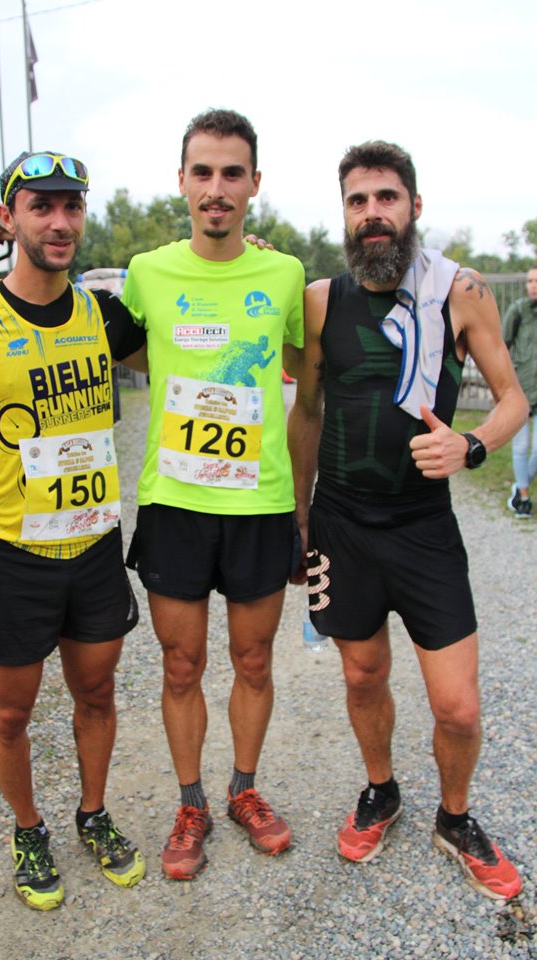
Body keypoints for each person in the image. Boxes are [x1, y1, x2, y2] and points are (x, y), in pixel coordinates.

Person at [288, 140, 528, 901]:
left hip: (425, 527)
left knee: (458, 705)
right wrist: (299, 518)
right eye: (358, 202)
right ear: (346, 216)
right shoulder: (322, 299)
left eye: (386, 198)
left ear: (414, 207)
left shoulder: (459, 291)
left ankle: (455, 817)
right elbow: (306, 408)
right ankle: (381, 790)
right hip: (342, 526)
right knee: (364, 674)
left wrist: (474, 444)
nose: (373, 215)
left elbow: (515, 398)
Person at [0, 151, 148, 910]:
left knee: (97, 692)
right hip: (15, 560)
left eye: (71, 207)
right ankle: (28, 827)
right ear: (10, 217)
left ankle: (93, 813)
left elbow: (190, 341)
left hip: (94, 550)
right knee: (11, 712)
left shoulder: (105, 315)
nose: (59, 223)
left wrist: (245, 267)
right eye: (41, 207)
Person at [122, 109, 304, 879]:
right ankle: (191, 801)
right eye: (204, 172)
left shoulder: (285, 274)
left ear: (254, 185)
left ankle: (244, 789)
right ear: (183, 183)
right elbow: (124, 347)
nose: (218, 188)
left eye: (233, 173)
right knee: (180, 665)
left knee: (254, 661)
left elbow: (308, 365)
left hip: (259, 505)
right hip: (176, 505)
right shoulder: (146, 273)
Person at [502, 266, 537, 518]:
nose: (533, 285)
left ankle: (520, 485)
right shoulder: (518, 310)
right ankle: (524, 498)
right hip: (521, 389)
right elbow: (501, 347)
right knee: (521, 446)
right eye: (530, 281)